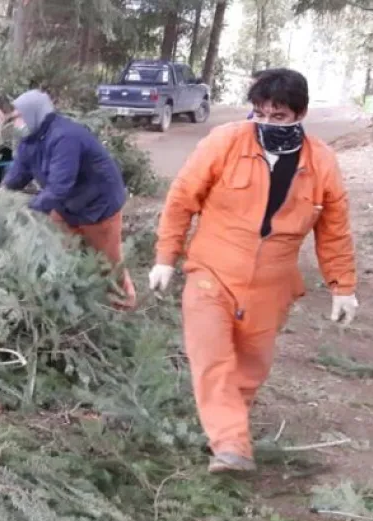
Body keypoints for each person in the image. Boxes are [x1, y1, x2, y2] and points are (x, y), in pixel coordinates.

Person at [148, 68, 358, 473]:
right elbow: (181, 199)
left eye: (278, 116)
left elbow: (334, 230)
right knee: (212, 357)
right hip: (211, 272)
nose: (267, 123)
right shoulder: (225, 142)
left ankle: (226, 433)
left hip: (272, 285)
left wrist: (343, 286)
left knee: (250, 367)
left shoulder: (321, 163)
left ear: (300, 115)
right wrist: (165, 257)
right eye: (260, 114)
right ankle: (231, 444)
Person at [2, 90, 137, 309]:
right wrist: (0, 195)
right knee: (58, 250)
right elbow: (19, 173)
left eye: (19, 116)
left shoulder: (65, 137)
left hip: (98, 205)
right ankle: (73, 301)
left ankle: (124, 304)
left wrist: (28, 208)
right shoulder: (30, 140)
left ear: (34, 113)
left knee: (108, 262)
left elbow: (59, 187)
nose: (17, 123)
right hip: (67, 205)